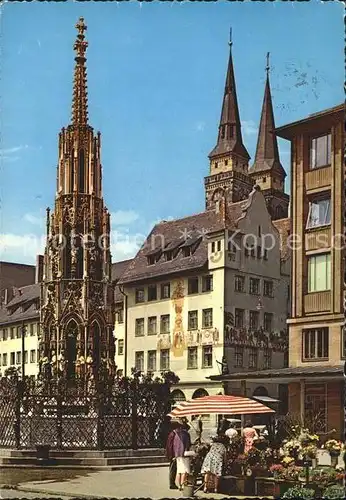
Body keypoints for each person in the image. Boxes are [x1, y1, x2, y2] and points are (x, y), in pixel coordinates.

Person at [172, 420, 191, 490]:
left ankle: (179, 485)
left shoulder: (177, 434)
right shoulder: (186, 434)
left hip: (177, 454)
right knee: (185, 470)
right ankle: (183, 485)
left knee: (179, 470)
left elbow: (174, 445)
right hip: (184, 454)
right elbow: (187, 444)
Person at [165, 420, 180, 490]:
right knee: (172, 469)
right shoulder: (172, 434)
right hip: (172, 455)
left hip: (172, 455)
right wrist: (172, 456)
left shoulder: (172, 434)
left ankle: (172, 483)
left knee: (174, 469)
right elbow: (170, 446)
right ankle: (172, 484)